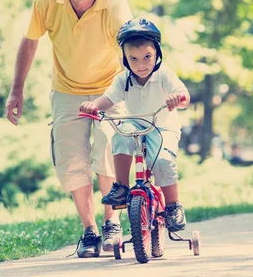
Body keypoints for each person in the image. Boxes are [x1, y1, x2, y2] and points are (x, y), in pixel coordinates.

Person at [5, 0, 133, 258]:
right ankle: (89, 230)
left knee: (108, 149)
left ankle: (112, 224)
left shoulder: (114, 3)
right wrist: (16, 90)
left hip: (109, 89)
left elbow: (130, 49)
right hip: (66, 90)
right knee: (71, 161)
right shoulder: (48, 1)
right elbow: (30, 41)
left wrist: (142, 89)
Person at [79, 18, 190, 232]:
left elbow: (184, 95)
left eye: (147, 57)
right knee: (120, 136)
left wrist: (178, 99)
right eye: (134, 58)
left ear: (157, 54)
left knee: (164, 161)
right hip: (135, 125)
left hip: (162, 127)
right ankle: (121, 186)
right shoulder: (123, 80)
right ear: (125, 59)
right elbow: (108, 99)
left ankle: (173, 206)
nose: (141, 64)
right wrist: (94, 105)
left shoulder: (164, 74)